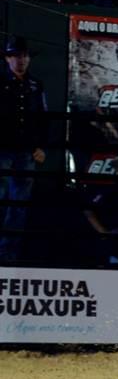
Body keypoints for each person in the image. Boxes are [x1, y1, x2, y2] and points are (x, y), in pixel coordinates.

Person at [0, 36, 47, 260]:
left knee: (19, 204)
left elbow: (43, 118)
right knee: (6, 199)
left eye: (24, 56)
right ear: (8, 59)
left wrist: (40, 146)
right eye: (17, 56)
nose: (21, 60)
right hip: (4, 148)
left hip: (26, 150)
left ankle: (8, 254)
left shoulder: (35, 85)